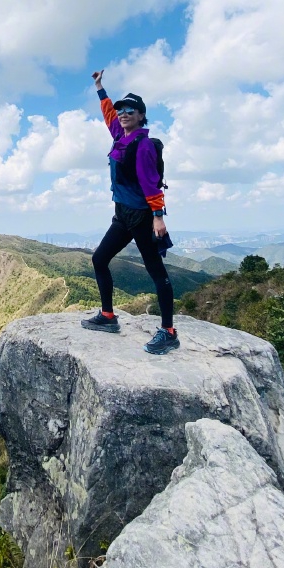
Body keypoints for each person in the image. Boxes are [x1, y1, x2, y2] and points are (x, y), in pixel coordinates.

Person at [81, 69, 179, 355]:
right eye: (122, 109)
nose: (123, 113)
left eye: (130, 110)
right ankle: (108, 316)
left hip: (142, 217)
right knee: (99, 258)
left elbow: (150, 180)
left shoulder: (144, 144)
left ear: (140, 116)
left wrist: (158, 216)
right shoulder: (119, 136)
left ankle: (169, 332)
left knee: (156, 271)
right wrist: (100, 88)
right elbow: (109, 115)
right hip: (122, 215)